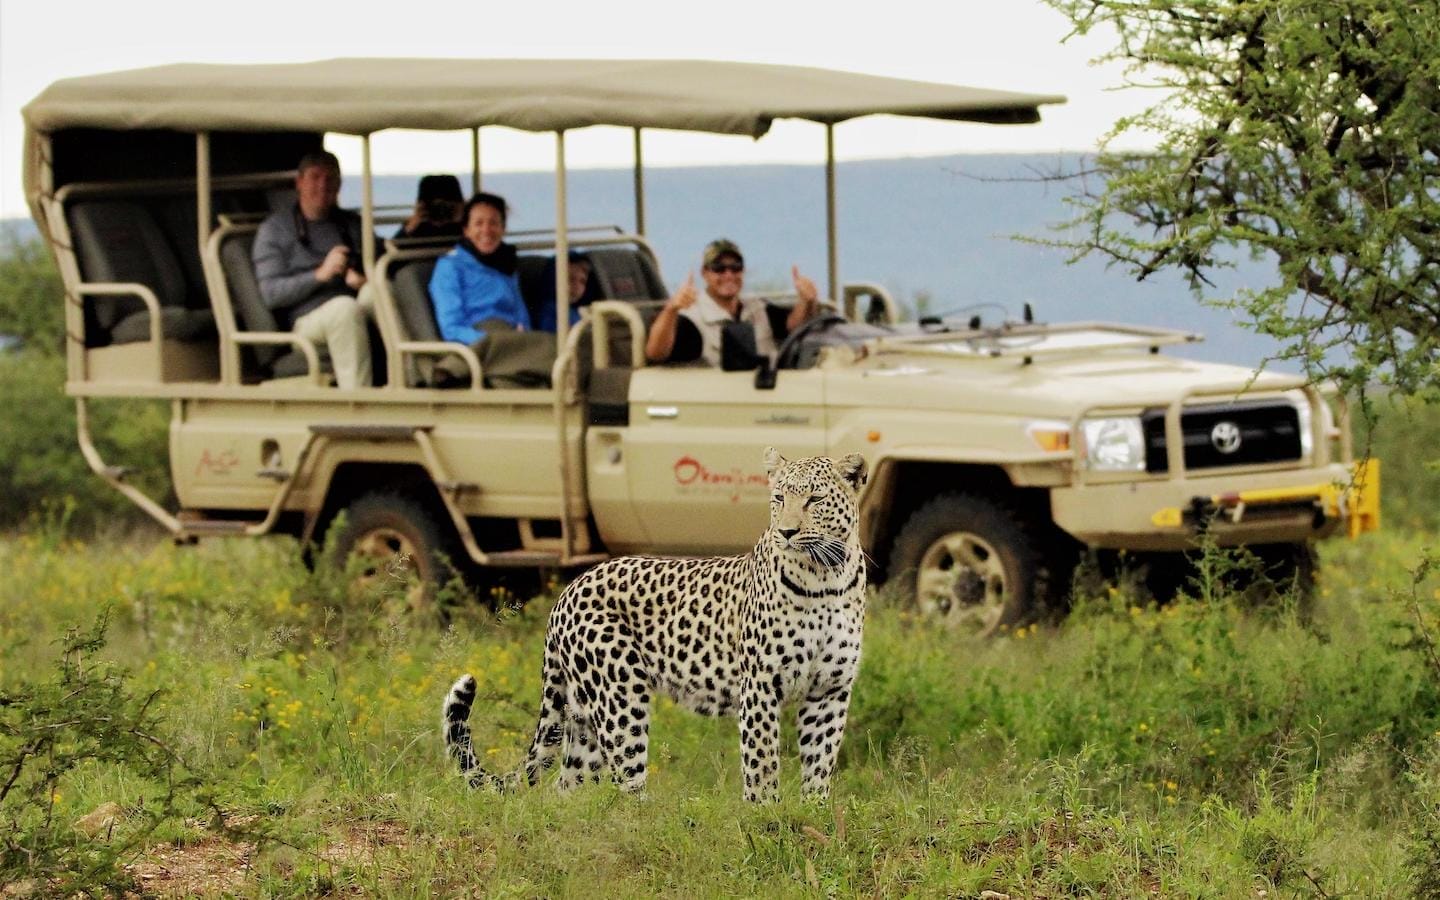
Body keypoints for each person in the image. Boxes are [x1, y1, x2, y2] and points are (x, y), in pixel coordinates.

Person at [252, 150, 374, 389]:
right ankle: (358, 403)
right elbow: (271, 294)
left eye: (331, 179)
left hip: (353, 303)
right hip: (306, 322)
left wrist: (365, 279)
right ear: (299, 182)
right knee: (344, 309)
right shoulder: (274, 230)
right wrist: (320, 275)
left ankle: (417, 381)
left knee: (380, 292)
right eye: (315, 177)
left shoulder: (351, 224)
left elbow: (382, 261)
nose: (323, 185)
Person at [430, 193, 556, 387]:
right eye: (478, 223)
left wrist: (520, 336)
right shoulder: (450, 266)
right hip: (481, 334)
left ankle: (454, 368)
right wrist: (494, 342)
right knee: (552, 349)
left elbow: (519, 311)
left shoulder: (505, 262)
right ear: (466, 229)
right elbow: (451, 328)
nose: (487, 230)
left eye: (494, 223)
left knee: (557, 346)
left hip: (512, 337)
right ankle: (457, 365)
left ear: (503, 228)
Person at [644, 238, 821, 366]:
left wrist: (806, 301)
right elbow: (656, 353)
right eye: (719, 268)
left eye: (735, 267)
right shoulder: (692, 318)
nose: (728, 274)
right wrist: (671, 309)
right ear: (705, 273)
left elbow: (793, 326)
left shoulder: (757, 307)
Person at [536, 250, 593, 333]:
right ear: (553, 278)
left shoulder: (579, 311)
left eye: (582, 281)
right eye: (570, 279)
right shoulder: (549, 311)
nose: (577, 286)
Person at [395, 174, 464, 241]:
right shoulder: (417, 225)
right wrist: (412, 225)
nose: (440, 210)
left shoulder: (465, 227)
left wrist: (464, 221)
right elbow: (394, 246)